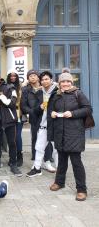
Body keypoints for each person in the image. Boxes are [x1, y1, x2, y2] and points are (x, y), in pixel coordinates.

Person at [48, 73, 92, 201]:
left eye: (68, 81)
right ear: (59, 83)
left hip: (74, 134)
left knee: (76, 162)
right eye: (63, 82)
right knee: (61, 161)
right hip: (60, 133)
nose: (65, 84)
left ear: (71, 82)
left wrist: (72, 113)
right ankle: (59, 182)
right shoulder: (56, 95)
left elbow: (88, 109)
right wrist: (53, 113)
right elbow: (50, 110)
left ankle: (82, 189)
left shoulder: (78, 93)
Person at [0, 72, 22, 176]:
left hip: (9, 120)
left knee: (12, 142)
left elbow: (11, 103)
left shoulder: (10, 87)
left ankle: (13, 163)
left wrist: (0, 95)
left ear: (0, 79)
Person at [26, 71, 58, 178]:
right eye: (43, 80)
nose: (44, 81)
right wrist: (39, 108)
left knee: (56, 149)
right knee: (39, 147)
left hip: (55, 124)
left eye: (47, 79)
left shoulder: (57, 91)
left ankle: (60, 170)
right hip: (43, 124)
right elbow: (34, 109)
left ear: (51, 80)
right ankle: (37, 168)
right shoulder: (39, 93)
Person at [21, 69, 53, 163]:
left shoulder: (45, 87)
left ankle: (48, 156)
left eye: (35, 75)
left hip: (45, 115)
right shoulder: (25, 90)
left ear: (38, 77)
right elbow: (23, 105)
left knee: (48, 136)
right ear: (28, 78)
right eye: (30, 76)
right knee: (35, 136)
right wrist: (31, 112)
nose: (33, 77)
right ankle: (35, 155)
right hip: (34, 116)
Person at [6, 69, 24, 167]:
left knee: (17, 137)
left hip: (18, 115)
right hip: (8, 115)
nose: (13, 77)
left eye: (15, 76)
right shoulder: (6, 87)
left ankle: (19, 156)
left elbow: (22, 103)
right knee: (10, 138)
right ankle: (12, 157)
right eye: (11, 76)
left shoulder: (20, 88)